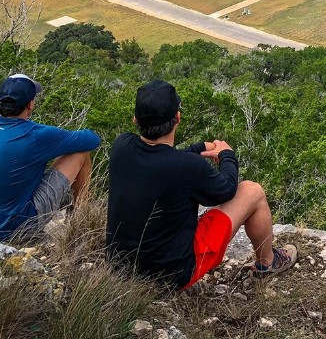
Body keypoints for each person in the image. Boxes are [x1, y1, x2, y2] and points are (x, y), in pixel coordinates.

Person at [105, 80, 295, 290]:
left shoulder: (122, 145)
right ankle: (267, 263)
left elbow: (162, 159)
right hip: (171, 276)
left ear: (135, 119)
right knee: (253, 191)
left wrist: (197, 148)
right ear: (177, 117)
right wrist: (227, 156)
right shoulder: (188, 168)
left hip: (120, 267)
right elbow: (227, 189)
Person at [0, 73, 99, 241]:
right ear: (30, 104)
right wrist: (58, 140)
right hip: (16, 229)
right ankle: (82, 217)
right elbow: (92, 139)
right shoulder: (33, 135)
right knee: (80, 151)